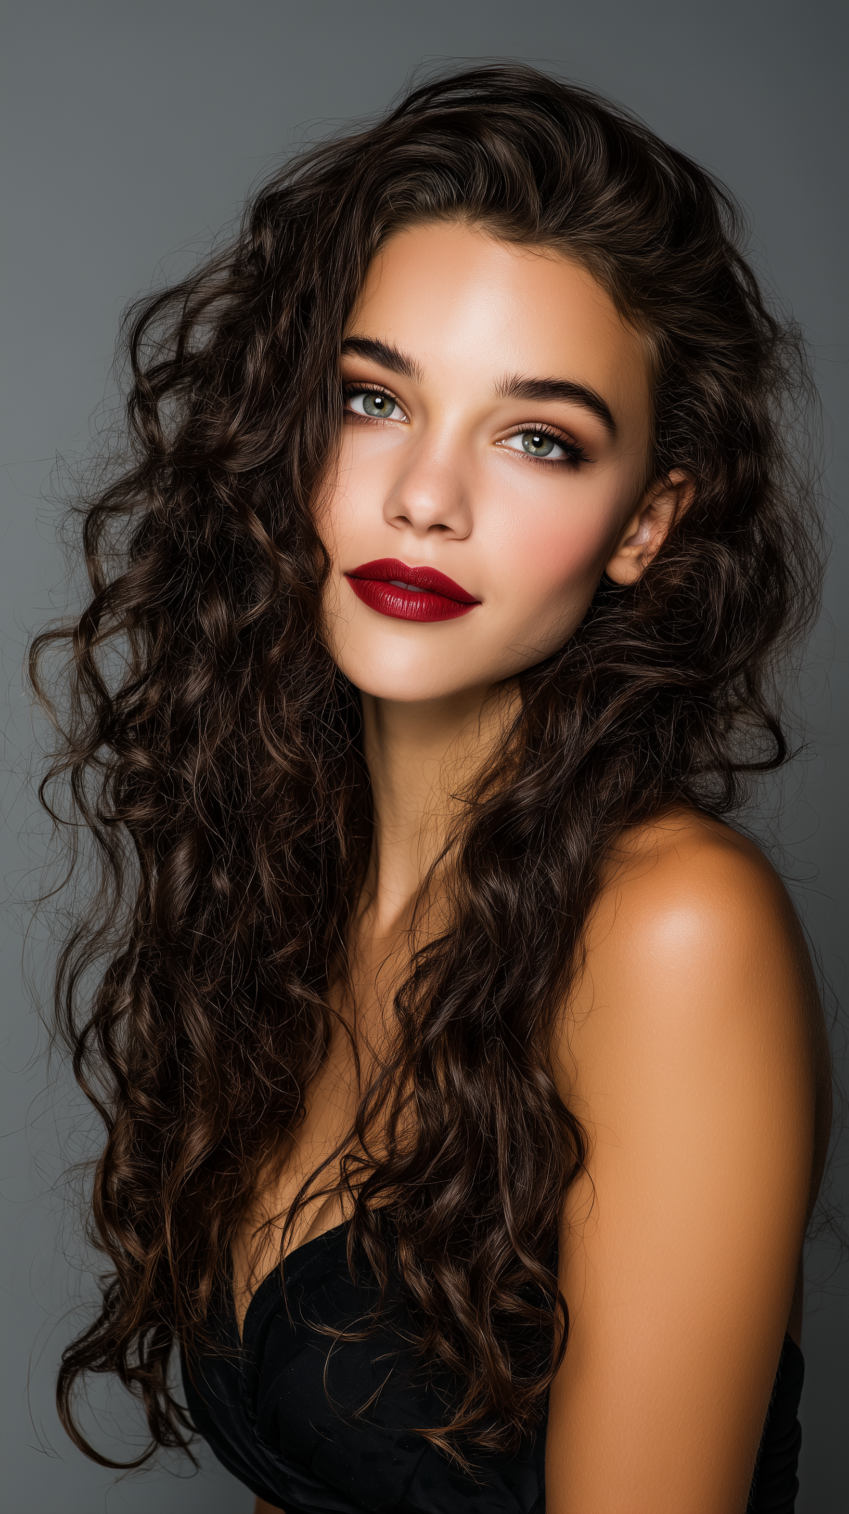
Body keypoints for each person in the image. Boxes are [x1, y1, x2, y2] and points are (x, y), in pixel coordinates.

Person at [30, 65, 832, 1513]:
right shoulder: (293, 878)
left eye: (538, 438)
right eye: (375, 398)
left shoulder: (671, 933)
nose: (426, 496)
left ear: (646, 522)